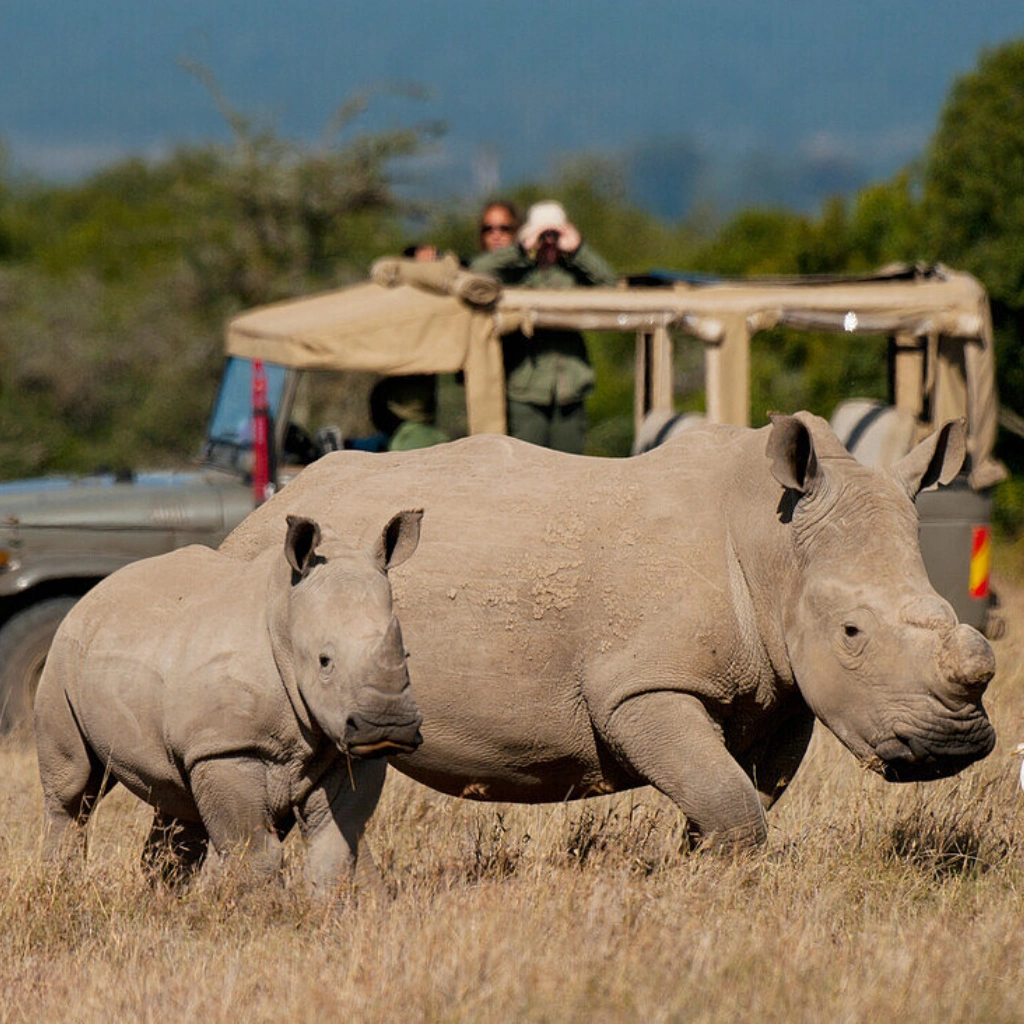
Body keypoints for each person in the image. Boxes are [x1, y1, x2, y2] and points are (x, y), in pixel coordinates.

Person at [470, 200, 617, 454]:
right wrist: (520, 248)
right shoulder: (516, 273)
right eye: (544, 235)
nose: (549, 241)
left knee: (571, 468)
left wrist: (579, 250)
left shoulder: (574, 274)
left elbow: (612, 287)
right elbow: (476, 271)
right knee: (527, 468)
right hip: (525, 389)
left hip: (570, 390)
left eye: (554, 234)